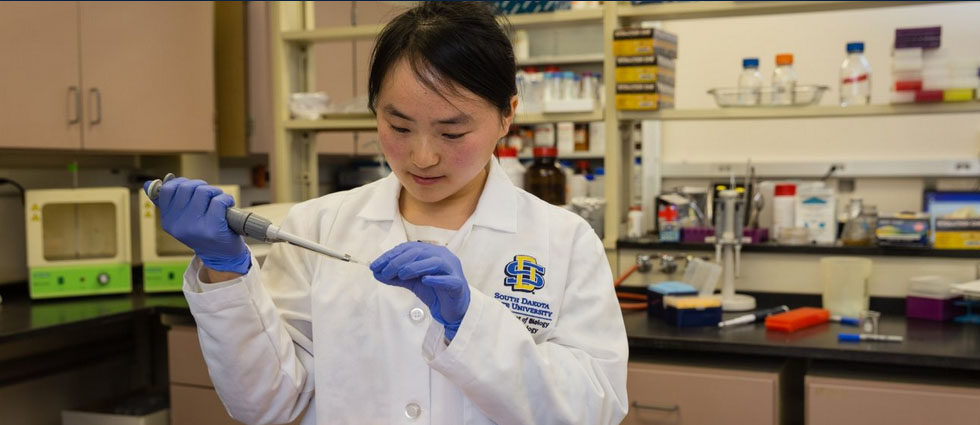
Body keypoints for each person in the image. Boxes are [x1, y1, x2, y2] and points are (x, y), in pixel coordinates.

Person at [149, 2, 628, 424]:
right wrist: (224, 272)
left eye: (453, 133)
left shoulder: (562, 239)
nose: (422, 157)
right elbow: (266, 404)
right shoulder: (318, 227)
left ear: (508, 114)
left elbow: (594, 409)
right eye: (399, 126)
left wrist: (473, 324)